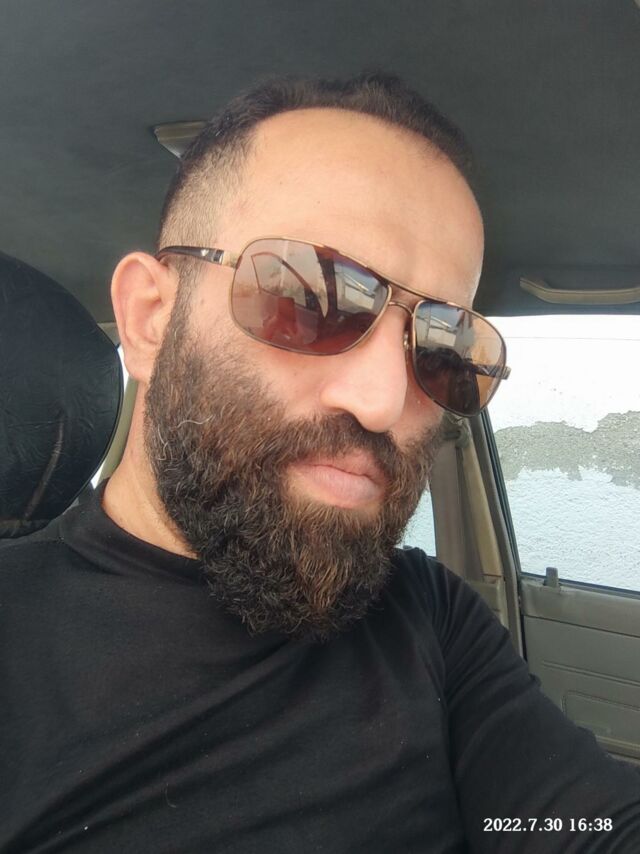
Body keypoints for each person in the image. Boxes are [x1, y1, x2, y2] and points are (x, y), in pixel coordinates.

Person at [1, 73, 639, 853]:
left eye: (445, 347)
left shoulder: (425, 612)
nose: (382, 401)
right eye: (311, 300)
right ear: (150, 319)